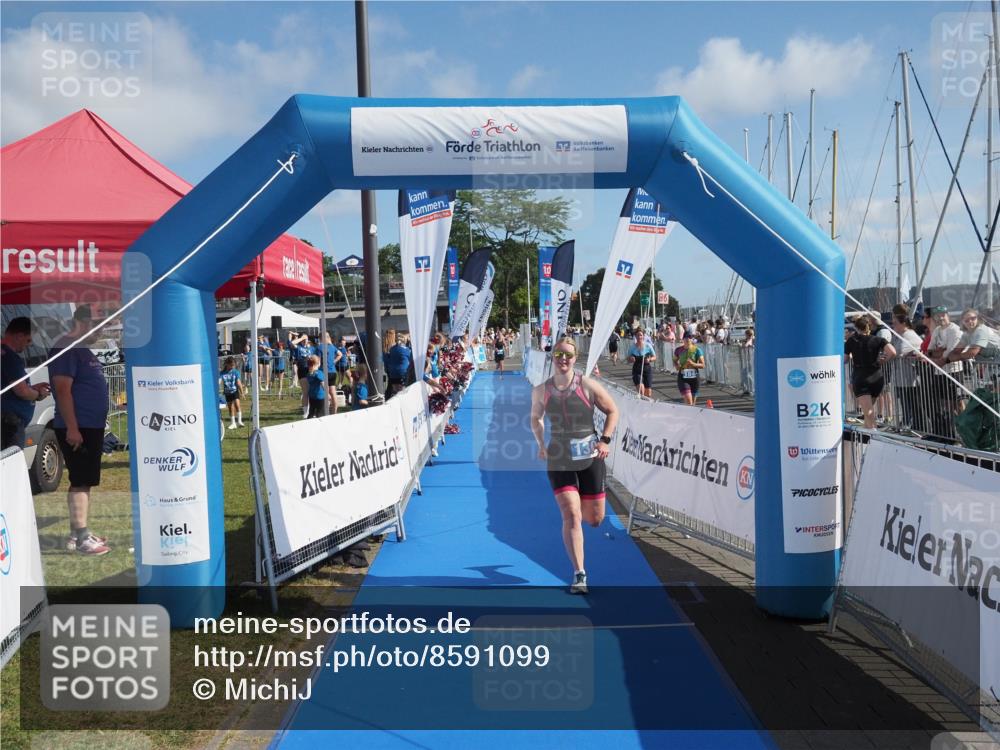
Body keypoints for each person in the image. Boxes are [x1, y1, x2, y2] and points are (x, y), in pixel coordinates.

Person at [530, 336, 619, 595]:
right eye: (559, 354)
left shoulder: (587, 385)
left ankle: (582, 504)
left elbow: (613, 410)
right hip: (560, 458)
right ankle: (580, 573)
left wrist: (604, 440)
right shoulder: (541, 390)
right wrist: (541, 443)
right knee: (571, 513)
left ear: (575, 358)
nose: (563, 359)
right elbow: (535, 418)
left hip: (590, 457)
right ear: (553, 357)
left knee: (595, 519)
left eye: (568, 355)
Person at [49, 306, 110, 556]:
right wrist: (73, 428)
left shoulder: (81, 348)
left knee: (83, 481)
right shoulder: (66, 347)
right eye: (98, 325)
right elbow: (62, 389)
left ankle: (78, 533)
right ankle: (83, 537)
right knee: (81, 481)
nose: (101, 331)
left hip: (89, 425)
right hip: (79, 426)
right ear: (83, 322)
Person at [1, 317, 51, 450]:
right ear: (19, 336)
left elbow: (10, 387)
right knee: (12, 460)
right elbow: (21, 391)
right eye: (28, 340)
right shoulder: (9, 357)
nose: (29, 345)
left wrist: (31, 388)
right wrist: (38, 394)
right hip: (9, 424)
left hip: (7, 421)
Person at [845, 315, 897, 430]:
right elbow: (892, 352)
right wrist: (883, 361)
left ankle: (874, 436)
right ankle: (867, 435)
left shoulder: (851, 340)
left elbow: (845, 359)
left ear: (856, 328)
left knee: (868, 413)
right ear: (869, 327)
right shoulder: (878, 339)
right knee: (868, 413)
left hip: (861, 377)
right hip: (876, 377)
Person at [673, 333, 705, 405]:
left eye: (690, 338)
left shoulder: (697, 350)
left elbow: (703, 365)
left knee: (693, 404)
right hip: (683, 377)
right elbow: (674, 360)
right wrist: (676, 365)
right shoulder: (678, 350)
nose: (688, 339)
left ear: (692, 339)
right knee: (689, 402)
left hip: (694, 378)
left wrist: (693, 364)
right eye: (686, 337)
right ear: (683, 339)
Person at [627, 329, 656, 398]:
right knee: (641, 391)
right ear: (635, 336)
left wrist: (649, 359)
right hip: (637, 370)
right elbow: (628, 358)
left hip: (647, 369)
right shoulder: (632, 347)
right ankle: (641, 402)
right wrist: (631, 359)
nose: (639, 337)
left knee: (648, 394)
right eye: (638, 335)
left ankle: (646, 404)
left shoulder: (648, 345)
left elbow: (654, 357)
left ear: (643, 336)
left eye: (641, 335)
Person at [219, 356, 245, 429]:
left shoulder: (235, 372)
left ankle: (239, 421)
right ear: (227, 364)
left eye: (233, 365)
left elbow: (238, 383)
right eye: (231, 365)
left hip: (235, 391)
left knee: (237, 405)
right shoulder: (222, 373)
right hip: (227, 392)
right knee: (230, 407)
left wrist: (242, 392)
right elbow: (219, 381)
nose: (232, 367)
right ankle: (233, 423)